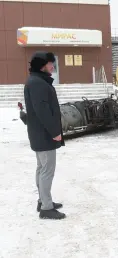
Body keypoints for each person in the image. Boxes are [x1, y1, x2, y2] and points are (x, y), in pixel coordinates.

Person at [24, 51, 66, 220]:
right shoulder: (38, 83)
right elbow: (43, 111)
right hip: (44, 134)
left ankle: (43, 201)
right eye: (50, 63)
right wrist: (55, 132)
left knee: (42, 168)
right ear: (42, 65)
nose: (52, 66)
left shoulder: (35, 81)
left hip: (39, 133)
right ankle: (46, 208)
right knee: (47, 170)